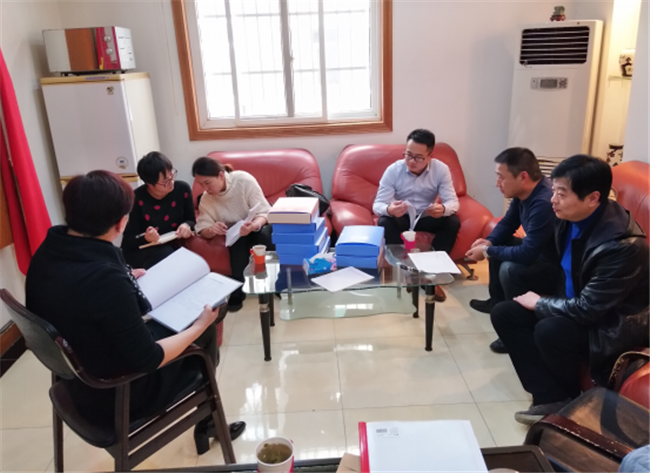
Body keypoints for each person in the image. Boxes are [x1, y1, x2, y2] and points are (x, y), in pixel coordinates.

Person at [25, 170, 246, 455]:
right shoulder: (105, 279)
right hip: (119, 392)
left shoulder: (49, 250)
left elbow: (84, 295)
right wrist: (199, 327)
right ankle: (208, 422)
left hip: (76, 374)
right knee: (204, 324)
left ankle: (208, 422)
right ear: (121, 223)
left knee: (195, 319)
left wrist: (127, 275)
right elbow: (149, 358)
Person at [490, 155, 649, 425]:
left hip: (612, 323)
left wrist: (540, 303)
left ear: (593, 198)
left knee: (549, 328)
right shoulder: (567, 217)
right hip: (577, 301)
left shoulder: (623, 246)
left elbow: (589, 310)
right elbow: (559, 265)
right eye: (554, 191)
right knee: (505, 313)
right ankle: (551, 397)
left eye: (562, 194)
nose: (553, 200)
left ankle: (569, 399)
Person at [465, 148, 559, 354]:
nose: (497, 183)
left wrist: (488, 251)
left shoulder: (543, 202)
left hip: (554, 266)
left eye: (501, 177)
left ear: (523, 177)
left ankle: (515, 330)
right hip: (538, 253)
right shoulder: (523, 193)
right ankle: (497, 303)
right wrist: (489, 242)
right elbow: (508, 223)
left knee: (510, 269)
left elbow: (527, 253)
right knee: (501, 243)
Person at [373, 129, 460, 302]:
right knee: (384, 221)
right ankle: (406, 273)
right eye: (408, 155)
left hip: (426, 217)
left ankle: (431, 275)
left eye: (418, 157)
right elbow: (377, 204)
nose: (411, 161)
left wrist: (442, 209)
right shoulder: (394, 170)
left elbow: (453, 202)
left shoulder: (441, 169)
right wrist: (390, 209)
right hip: (402, 216)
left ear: (430, 156)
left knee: (452, 221)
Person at [193, 157, 273, 312]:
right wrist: (212, 229)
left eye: (207, 183)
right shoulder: (206, 199)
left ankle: (273, 282)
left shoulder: (243, 180)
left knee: (264, 235)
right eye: (200, 184)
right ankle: (238, 288)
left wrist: (254, 225)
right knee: (237, 241)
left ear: (221, 175)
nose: (205, 188)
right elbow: (202, 228)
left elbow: (265, 211)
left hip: (257, 223)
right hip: (237, 231)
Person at [121, 152, 196, 269]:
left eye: (172, 175)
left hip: (171, 244)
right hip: (144, 250)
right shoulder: (136, 199)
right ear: (150, 184)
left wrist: (186, 225)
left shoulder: (182, 189)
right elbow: (129, 240)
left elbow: (191, 219)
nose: (171, 182)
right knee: (166, 254)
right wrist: (146, 237)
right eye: (165, 181)